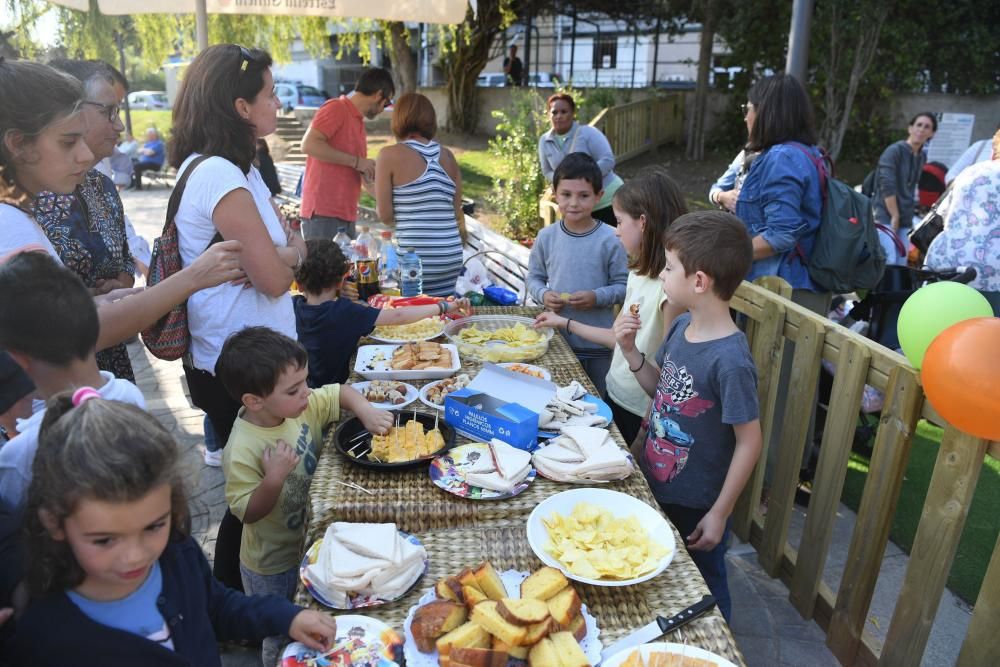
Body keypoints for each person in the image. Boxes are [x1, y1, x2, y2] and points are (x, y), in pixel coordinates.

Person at [13, 394, 338, 665]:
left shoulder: (176, 552)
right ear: (55, 523)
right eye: (105, 540)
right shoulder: (44, 637)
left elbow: (216, 607)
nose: (137, 556)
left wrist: (285, 616)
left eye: (154, 525)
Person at [169, 43, 307, 590]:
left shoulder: (240, 168)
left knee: (250, 488)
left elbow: (278, 257)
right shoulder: (220, 174)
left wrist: (283, 256)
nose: (279, 103)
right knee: (246, 495)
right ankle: (232, 604)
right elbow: (277, 275)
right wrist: (289, 257)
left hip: (251, 355)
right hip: (237, 367)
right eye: (271, 94)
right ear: (241, 107)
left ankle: (234, 601)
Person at [0, 59, 245, 358]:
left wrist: (89, 300)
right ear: (18, 144)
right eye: (68, 142)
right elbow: (73, 334)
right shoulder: (7, 223)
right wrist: (194, 276)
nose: (85, 154)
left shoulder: (21, 212)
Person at [614, 210, 762, 621]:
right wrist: (630, 352)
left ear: (699, 282)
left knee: (707, 588)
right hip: (657, 482)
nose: (661, 274)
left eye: (669, 267)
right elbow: (660, 389)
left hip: (698, 504)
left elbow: (750, 441)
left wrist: (719, 513)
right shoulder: (680, 329)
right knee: (663, 575)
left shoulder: (731, 362)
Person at [216, 326, 392, 665]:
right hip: (272, 563)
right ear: (254, 401)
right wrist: (273, 479)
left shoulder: (298, 406)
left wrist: (366, 411)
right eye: (295, 389)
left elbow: (339, 392)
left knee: (311, 617)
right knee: (280, 630)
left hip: (309, 540)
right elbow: (246, 513)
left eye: (306, 382)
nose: (307, 394)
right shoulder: (242, 447)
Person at [534, 167, 688, 444]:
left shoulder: (672, 293)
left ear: (642, 223)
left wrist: (646, 429)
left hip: (640, 413)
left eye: (619, 222)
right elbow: (618, 339)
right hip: (614, 395)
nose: (616, 232)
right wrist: (564, 323)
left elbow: (668, 377)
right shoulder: (639, 274)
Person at [0, 252, 144, 510]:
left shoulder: (19, 455)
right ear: (92, 326)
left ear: (17, 359)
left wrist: (12, 430)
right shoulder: (129, 394)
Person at [46, 59, 137, 382]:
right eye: (108, 112)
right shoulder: (26, 196)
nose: (119, 125)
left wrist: (123, 281)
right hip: (56, 375)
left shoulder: (102, 186)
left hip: (109, 364)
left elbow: (124, 257)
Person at [294, 239, 470, 386]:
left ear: (299, 283)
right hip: (336, 392)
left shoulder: (292, 306)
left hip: (304, 388)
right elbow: (398, 316)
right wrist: (444, 307)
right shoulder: (346, 312)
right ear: (341, 281)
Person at [526, 153, 628, 396]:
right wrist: (544, 294)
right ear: (554, 193)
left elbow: (624, 286)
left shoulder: (611, 239)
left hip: (598, 346)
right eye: (566, 195)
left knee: (595, 402)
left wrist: (597, 296)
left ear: (599, 197)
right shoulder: (547, 237)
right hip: (556, 342)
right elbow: (534, 277)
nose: (574, 203)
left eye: (583, 196)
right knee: (556, 401)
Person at [374, 92, 465, 296]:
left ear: (398, 119)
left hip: (417, 260)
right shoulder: (448, 155)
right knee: (442, 314)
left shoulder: (388, 155)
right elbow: (452, 208)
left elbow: (386, 217)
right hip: (451, 255)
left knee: (418, 322)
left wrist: (373, 191)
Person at [300, 67, 395, 240]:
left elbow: (359, 170)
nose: (384, 109)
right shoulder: (336, 108)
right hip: (323, 214)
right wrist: (358, 162)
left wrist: (387, 200)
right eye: (387, 102)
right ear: (378, 94)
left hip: (346, 215)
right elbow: (309, 144)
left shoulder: (357, 122)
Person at [926, 128, 1000, 315]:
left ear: (994, 150)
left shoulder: (971, 171)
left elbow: (944, 214)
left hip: (946, 263)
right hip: (992, 274)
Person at [538, 93, 623, 227]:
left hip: (608, 199)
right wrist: (563, 181)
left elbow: (608, 160)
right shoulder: (544, 140)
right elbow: (546, 170)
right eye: (554, 112)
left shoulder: (588, 133)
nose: (559, 116)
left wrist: (583, 179)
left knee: (609, 243)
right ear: (549, 114)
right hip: (575, 205)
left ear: (573, 113)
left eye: (564, 111)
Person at [873, 112, 937, 247]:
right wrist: (894, 215)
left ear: (932, 133)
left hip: (906, 217)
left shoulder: (921, 156)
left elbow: (912, 187)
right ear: (910, 128)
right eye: (918, 125)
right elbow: (887, 185)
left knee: (901, 263)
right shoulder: (894, 151)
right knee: (888, 260)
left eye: (927, 127)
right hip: (885, 215)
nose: (921, 129)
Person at [708, 101, 760, 212]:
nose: (745, 118)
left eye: (747, 110)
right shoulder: (746, 153)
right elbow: (716, 189)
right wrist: (721, 196)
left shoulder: (782, 159)